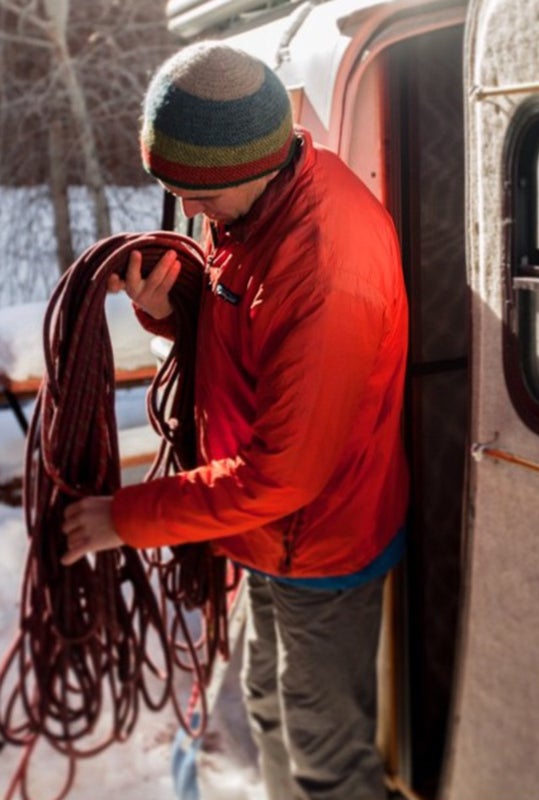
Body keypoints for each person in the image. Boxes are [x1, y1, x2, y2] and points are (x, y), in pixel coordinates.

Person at [61, 41, 409, 800]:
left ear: (251, 164)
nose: (189, 211)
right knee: (269, 711)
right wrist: (173, 307)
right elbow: (248, 332)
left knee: (325, 753)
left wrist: (127, 517)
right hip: (267, 532)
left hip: (318, 542)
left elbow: (285, 472)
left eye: (198, 194)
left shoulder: (327, 266)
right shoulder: (255, 204)